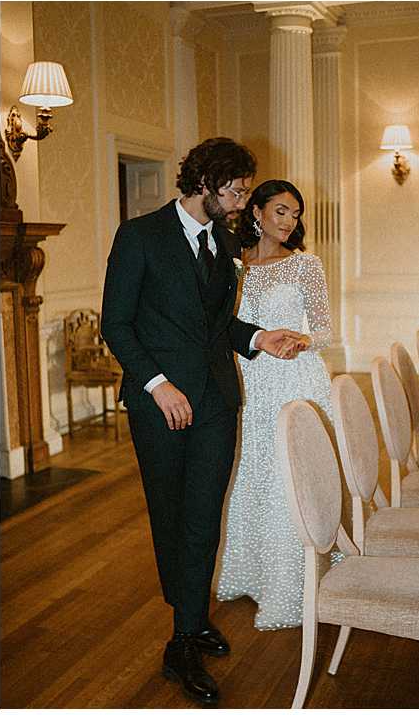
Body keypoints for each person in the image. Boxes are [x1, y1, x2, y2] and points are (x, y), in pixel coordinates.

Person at [100, 137, 307, 705]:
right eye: (237, 191)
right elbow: (116, 324)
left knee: (203, 514)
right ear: (205, 185)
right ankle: (185, 628)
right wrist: (157, 383)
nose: (243, 202)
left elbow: (218, 326)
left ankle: (186, 626)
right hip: (158, 406)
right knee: (171, 517)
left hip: (217, 400)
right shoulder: (138, 236)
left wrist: (259, 337)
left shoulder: (222, 239)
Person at [217, 179, 334, 630]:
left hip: (295, 377)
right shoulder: (234, 265)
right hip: (250, 379)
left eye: (295, 214)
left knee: (293, 473)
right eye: (281, 211)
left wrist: (303, 339)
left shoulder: (306, 265)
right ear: (257, 213)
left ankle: (296, 580)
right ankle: (256, 572)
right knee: (255, 472)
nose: (289, 221)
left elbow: (325, 329)